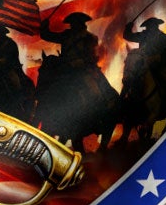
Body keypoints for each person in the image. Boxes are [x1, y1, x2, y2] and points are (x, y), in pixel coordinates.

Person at [33, 11, 121, 151]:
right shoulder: (66, 35)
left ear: (81, 24)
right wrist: (44, 27)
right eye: (72, 24)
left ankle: (100, 115)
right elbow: (48, 36)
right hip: (66, 70)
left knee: (96, 90)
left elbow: (92, 55)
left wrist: (80, 62)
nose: (73, 26)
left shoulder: (90, 38)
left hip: (84, 69)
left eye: (76, 24)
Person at [118, 14, 166, 145]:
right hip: (143, 65)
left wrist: (156, 58)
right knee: (130, 80)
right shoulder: (143, 36)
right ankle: (121, 102)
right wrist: (128, 28)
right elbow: (128, 36)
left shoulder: (164, 38)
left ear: (156, 26)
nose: (150, 28)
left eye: (152, 26)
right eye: (148, 27)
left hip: (159, 65)